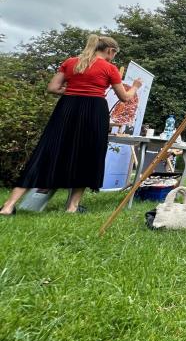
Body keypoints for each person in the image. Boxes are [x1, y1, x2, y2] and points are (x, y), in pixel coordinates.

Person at [1, 35, 142, 215]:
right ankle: (72, 207)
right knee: (87, 154)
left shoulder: (71, 62)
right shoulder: (110, 68)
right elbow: (125, 97)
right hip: (93, 111)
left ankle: (8, 205)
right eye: (114, 54)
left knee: (46, 152)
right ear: (110, 51)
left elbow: (52, 88)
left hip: (67, 108)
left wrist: (73, 91)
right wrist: (136, 86)